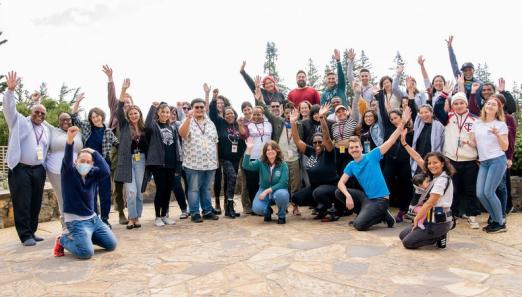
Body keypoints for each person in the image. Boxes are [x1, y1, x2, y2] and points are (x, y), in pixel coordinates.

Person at [334, 108, 410, 231]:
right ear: (349, 150)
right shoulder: (351, 165)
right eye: (351, 148)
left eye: (356, 147)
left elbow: (390, 141)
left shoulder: (372, 155)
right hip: (367, 198)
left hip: (381, 200)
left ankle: (382, 215)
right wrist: (348, 195)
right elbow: (340, 183)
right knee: (339, 192)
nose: (354, 149)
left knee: (359, 225)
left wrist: (402, 123)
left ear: (361, 148)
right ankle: (368, 214)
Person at [53, 126, 117, 259]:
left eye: (88, 162)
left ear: (92, 164)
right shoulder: (69, 173)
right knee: (86, 253)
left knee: (111, 245)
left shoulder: (93, 173)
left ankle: (86, 239)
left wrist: (94, 152)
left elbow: (106, 171)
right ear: (76, 161)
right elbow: (67, 158)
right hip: (76, 222)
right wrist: (70, 139)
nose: (85, 164)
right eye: (82, 161)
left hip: (93, 220)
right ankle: (62, 240)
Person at [3, 71, 50, 246]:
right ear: (31, 113)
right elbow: (9, 109)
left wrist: (38, 101)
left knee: (35, 202)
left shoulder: (45, 129)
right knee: (22, 202)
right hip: (21, 169)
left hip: (38, 170)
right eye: (36, 112)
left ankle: (32, 231)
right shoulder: (19, 122)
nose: (39, 115)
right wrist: (10, 91)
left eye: (42, 113)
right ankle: (25, 235)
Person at [434, 90, 481, 229]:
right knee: (452, 189)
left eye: (461, 103)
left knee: (470, 189)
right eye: (456, 103)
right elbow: (437, 108)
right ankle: (452, 215)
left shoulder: (475, 120)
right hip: (451, 160)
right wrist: (444, 95)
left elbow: (481, 140)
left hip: (470, 160)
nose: (459, 106)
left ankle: (472, 216)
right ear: (452, 105)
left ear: (466, 104)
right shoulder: (448, 117)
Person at [399, 135, 456, 249]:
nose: (431, 166)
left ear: (442, 163)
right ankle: (432, 234)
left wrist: (416, 218)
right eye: (429, 163)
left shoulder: (441, 180)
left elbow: (430, 203)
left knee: (408, 243)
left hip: (439, 222)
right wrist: (405, 144)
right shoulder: (435, 175)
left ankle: (439, 235)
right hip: (428, 219)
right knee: (402, 235)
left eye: (435, 163)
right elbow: (418, 158)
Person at [71, 94, 118, 228]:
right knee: (90, 192)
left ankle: (104, 219)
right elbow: (74, 117)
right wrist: (77, 102)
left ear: (102, 116)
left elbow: (117, 143)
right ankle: (94, 218)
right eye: (93, 117)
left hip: (103, 165)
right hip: (88, 165)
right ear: (90, 119)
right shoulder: (87, 128)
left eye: (97, 116)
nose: (96, 118)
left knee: (105, 194)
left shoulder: (108, 131)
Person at [466, 97, 509, 233]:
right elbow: (474, 143)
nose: (490, 105)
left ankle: (500, 222)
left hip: (497, 160)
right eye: (488, 103)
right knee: (480, 193)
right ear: (485, 106)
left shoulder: (500, 125)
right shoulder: (477, 123)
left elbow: (505, 147)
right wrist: (468, 142)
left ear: (498, 109)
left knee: (489, 192)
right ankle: (496, 219)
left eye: (494, 104)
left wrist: (497, 134)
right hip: (484, 162)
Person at [291, 104, 339, 219]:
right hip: (315, 187)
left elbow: (326, 137)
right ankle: (320, 206)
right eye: (315, 142)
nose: (317, 144)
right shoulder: (311, 152)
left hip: (331, 187)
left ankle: (330, 207)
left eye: (320, 142)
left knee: (318, 193)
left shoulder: (328, 152)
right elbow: (297, 141)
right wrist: (293, 123)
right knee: (296, 197)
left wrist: (322, 118)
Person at [114, 79, 148, 229]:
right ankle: (131, 217)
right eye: (131, 113)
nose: (134, 115)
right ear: (128, 116)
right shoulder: (123, 125)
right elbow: (119, 106)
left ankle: (137, 217)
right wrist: (123, 89)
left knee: (139, 191)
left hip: (141, 161)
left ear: (140, 114)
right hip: (127, 161)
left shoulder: (145, 128)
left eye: (136, 113)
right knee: (131, 192)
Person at [179, 98, 220, 223]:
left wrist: (216, 159)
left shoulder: (210, 123)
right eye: (196, 107)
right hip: (193, 162)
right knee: (194, 189)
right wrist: (188, 118)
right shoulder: (187, 121)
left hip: (210, 162)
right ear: (192, 108)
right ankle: (195, 212)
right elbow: (182, 134)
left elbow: (215, 142)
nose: (199, 109)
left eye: (201, 107)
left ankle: (207, 211)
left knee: (207, 188)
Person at [142, 102, 180, 226]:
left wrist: (177, 164)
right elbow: (146, 125)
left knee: (168, 190)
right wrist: (152, 107)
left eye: (167, 112)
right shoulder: (153, 125)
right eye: (162, 111)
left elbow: (176, 147)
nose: (165, 114)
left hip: (171, 163)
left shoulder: (172, 127)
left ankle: (165, 215)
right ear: (158, 113)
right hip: (158, 164)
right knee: (160, 190)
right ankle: (157, 217)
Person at [44, 111, 83, 230]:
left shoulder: (78, 133)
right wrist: (36, 101)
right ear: (58, 122)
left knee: (76, 197)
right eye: (62, 119)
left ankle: (77, 224)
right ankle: (66, 226)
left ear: (71, 121)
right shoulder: (53, 130)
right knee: (62, 198)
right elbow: (42, 119)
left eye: (68, 119)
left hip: (74, 172)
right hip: (56, 171)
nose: (65, 122)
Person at [103, 65, 131, 225]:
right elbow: (113, 99)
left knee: (133, 186)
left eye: (129, 103)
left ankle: (134, 212)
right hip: (117, 154)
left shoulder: (136, 118)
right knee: (119, 185)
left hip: (133, 155)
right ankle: (121, 212)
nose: (126, 105)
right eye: (124, 103)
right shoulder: (116, 115)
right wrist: (110, 80)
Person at [209, 97, 246, 218]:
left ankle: (228, 207)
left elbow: (243, 137)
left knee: (231, 181)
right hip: (224, 158)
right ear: (224, 116)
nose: (230, 115)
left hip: (236, 158)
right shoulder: (220, 123)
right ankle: (229, 205)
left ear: (235, 115)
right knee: (232, 176)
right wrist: (214, 99)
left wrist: (240, 124)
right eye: (227, 114)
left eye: (232, 113)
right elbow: (213, 113)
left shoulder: (237, 125)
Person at [243, 139, 290, 224]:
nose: (270, 151)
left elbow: (283, 183)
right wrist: (249, 149)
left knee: (282, 195)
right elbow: (246, 165)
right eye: (268, 150)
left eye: (272, 149)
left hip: (278, 190)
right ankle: (267, 211)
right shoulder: (261, 162)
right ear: (265, 152)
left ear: (277, 150)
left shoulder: (283, 164)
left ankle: (281, 215)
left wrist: (267, 191)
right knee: (256, 208)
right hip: (264, 189)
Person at [238, 105, 273, 211]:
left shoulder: (269, 124)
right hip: (253, 157)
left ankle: (267, 204)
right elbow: (243, 135)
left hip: (267, 158)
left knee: (266, 182)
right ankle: (255, 205)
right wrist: (240, 124)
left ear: (263, 114)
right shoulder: (249, 125)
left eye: (259, 114)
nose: (257, 116)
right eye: (255, 114)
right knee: (252, 183)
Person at [169, 106, 189, 219]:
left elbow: (183, 126)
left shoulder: (178, 124)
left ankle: (191, 207)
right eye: (169, 113)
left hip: (185, 158)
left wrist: (181, 109)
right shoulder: (161, 126)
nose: (171, 115)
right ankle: (183, 209)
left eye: (173, 113)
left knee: (189, 185)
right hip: (173, 161)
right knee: (176, 185)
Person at [238, 101, 254, 214]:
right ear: (242, 112)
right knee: (246, 181)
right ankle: (246, 205)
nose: (247, 112)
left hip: (258, 154)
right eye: (245, 110)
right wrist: (240, 124)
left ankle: (255, 203)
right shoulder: (241, 122)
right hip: (246, 154)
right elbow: (244, 135)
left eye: (249, 109)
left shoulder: (258, 119)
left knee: (256, 181)